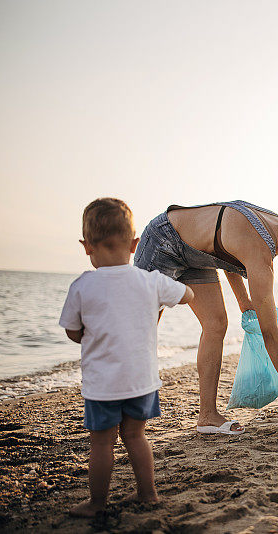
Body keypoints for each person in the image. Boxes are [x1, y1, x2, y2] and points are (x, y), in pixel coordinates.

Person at [134, 199, 278, 434]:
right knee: (143, 332)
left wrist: (243, 300)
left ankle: (207, 416)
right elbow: (269, 331)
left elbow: (229, 253)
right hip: (165, 239)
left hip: (198, 256)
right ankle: (126, 410)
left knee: (216, 323)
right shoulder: (261, 250)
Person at [59, 198, 194, 517]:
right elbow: (188, 296)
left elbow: (72, 332)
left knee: (102, 444)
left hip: (103, 386)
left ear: (86, 246)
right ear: (135, 244)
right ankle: (148, 495)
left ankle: (96, 503)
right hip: (142, 382)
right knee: (136, 436)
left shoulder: (82, 286)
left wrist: (88, 334)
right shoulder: (150, 281)